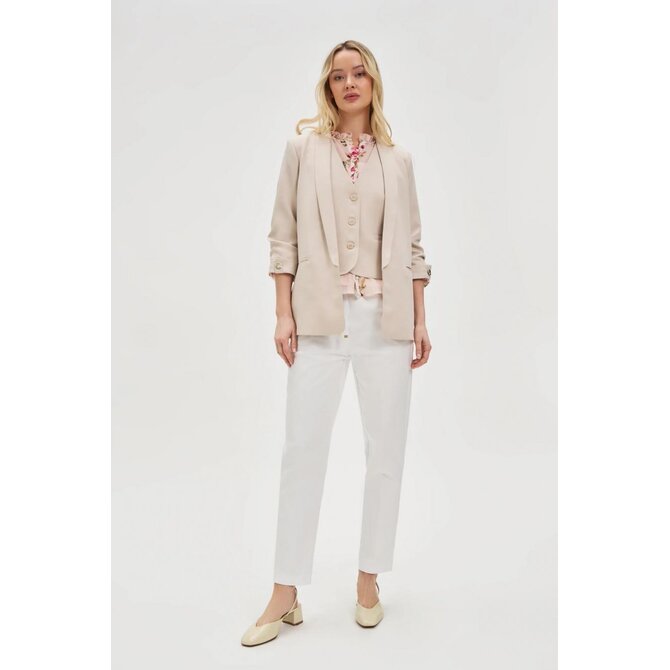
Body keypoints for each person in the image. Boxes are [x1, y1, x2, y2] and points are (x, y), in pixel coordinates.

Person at [241, 39, 432, 647]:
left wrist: (419, 320)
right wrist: (283, 314)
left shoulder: (398, 160)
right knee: (302, 451)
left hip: (385, 323)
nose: (349, 83)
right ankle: (285, 590)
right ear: (327, 87)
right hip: (319, 321)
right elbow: (283, 236)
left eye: (359, 74)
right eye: (338, 76)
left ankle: (368, 579)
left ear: (373, 83)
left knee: (386, 454)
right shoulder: (303, 149)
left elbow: (413, 249)